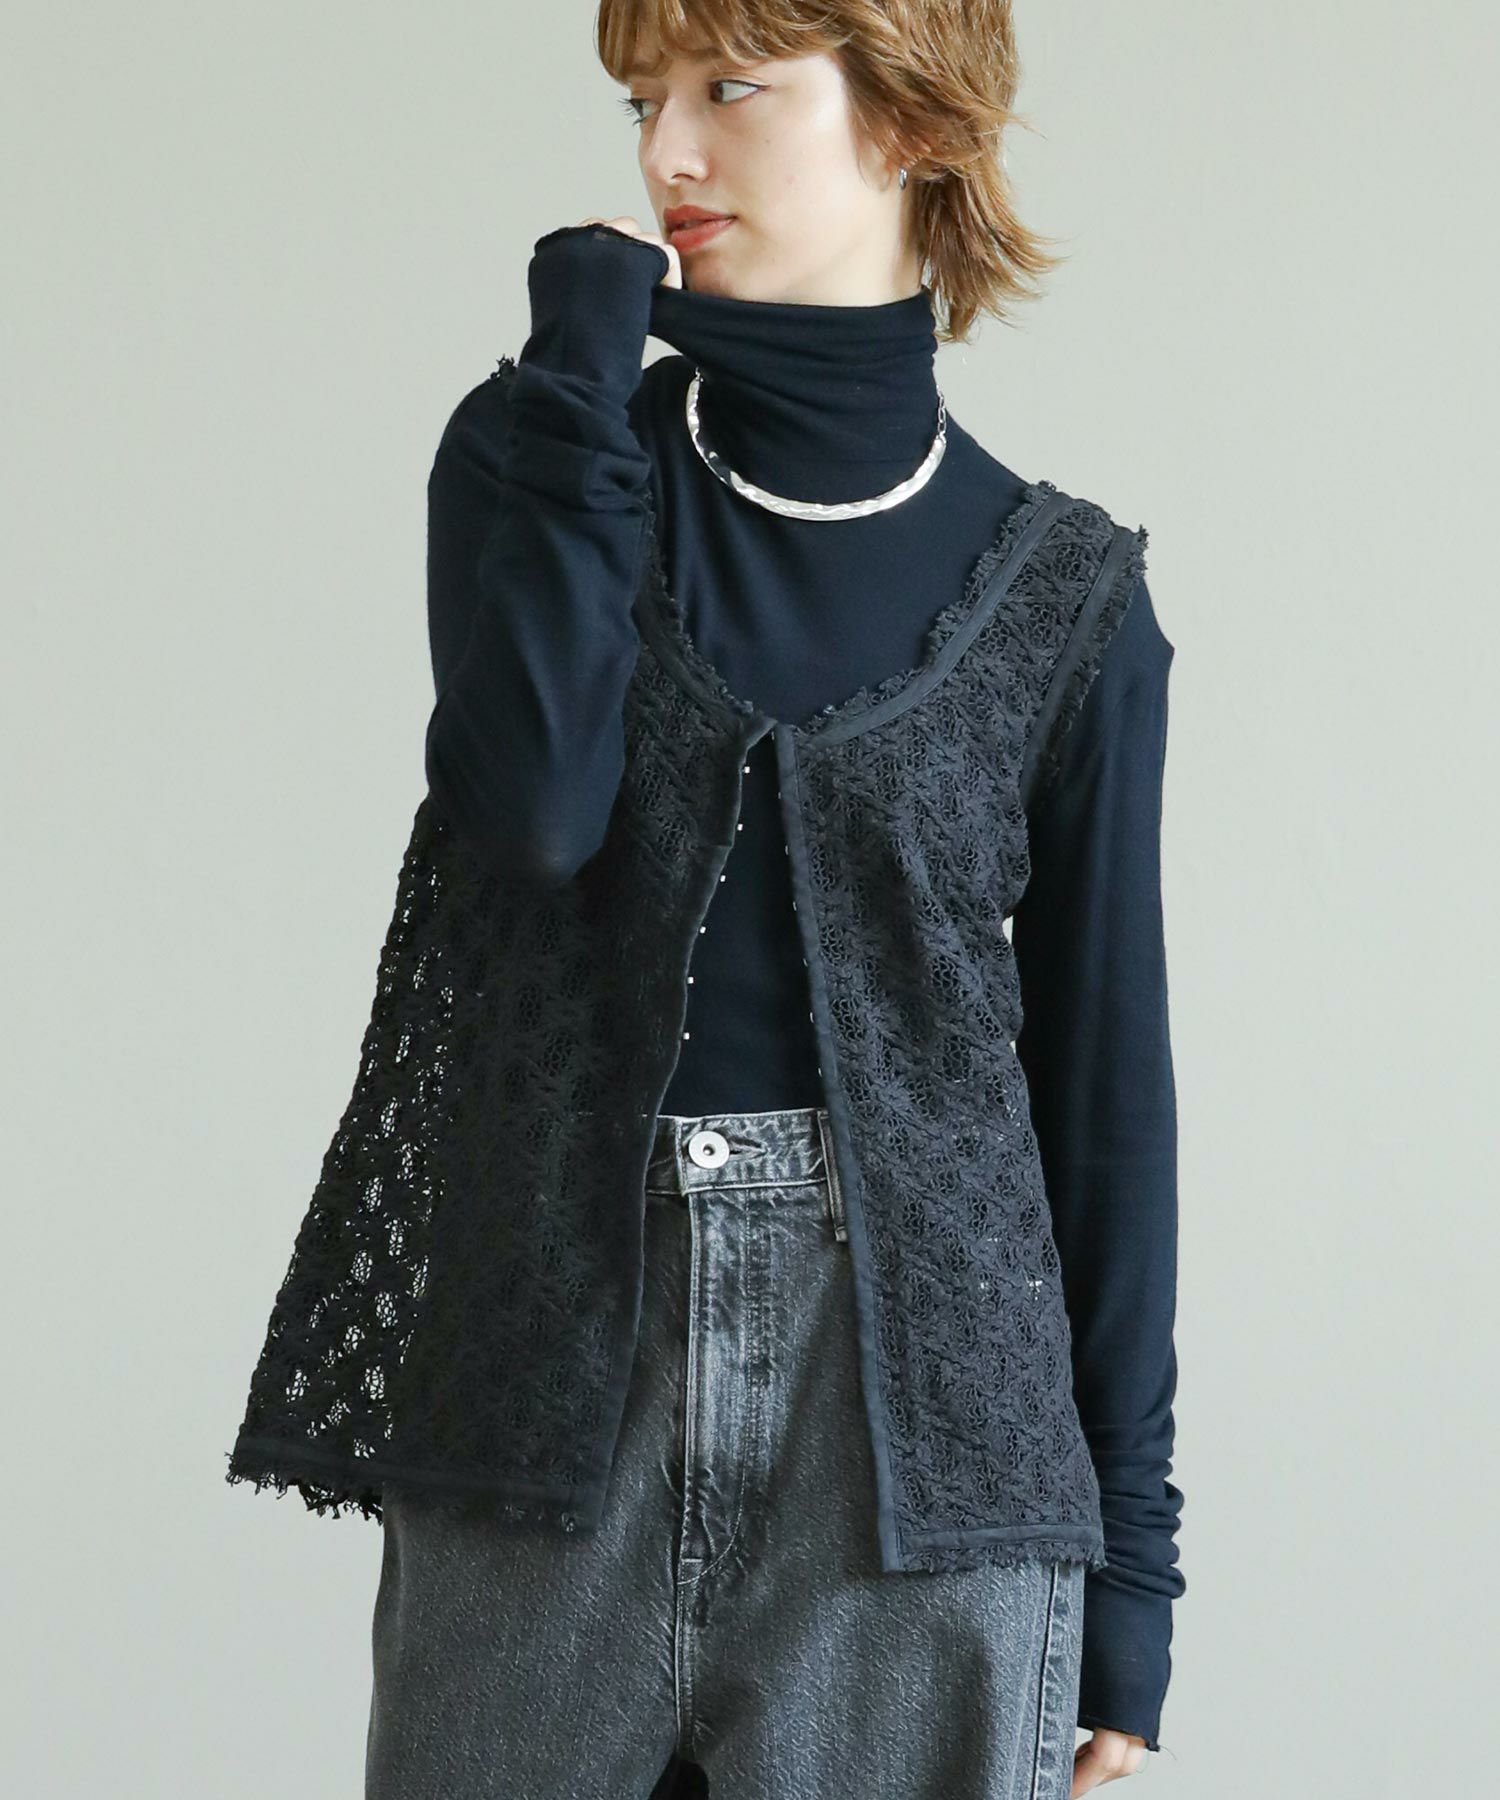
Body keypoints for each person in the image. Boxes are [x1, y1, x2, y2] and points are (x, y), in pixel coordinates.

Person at [229, 5, 1184, 1796]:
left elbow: (1104, 1105)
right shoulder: (546, 455)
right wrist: (581, 374)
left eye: (729, 88)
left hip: (920, 1443)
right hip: (552, 1373)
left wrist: (1134, 1572)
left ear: (914, 122)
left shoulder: (1071, 602)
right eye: (642, 101)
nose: (668, 153)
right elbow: (535, 814)